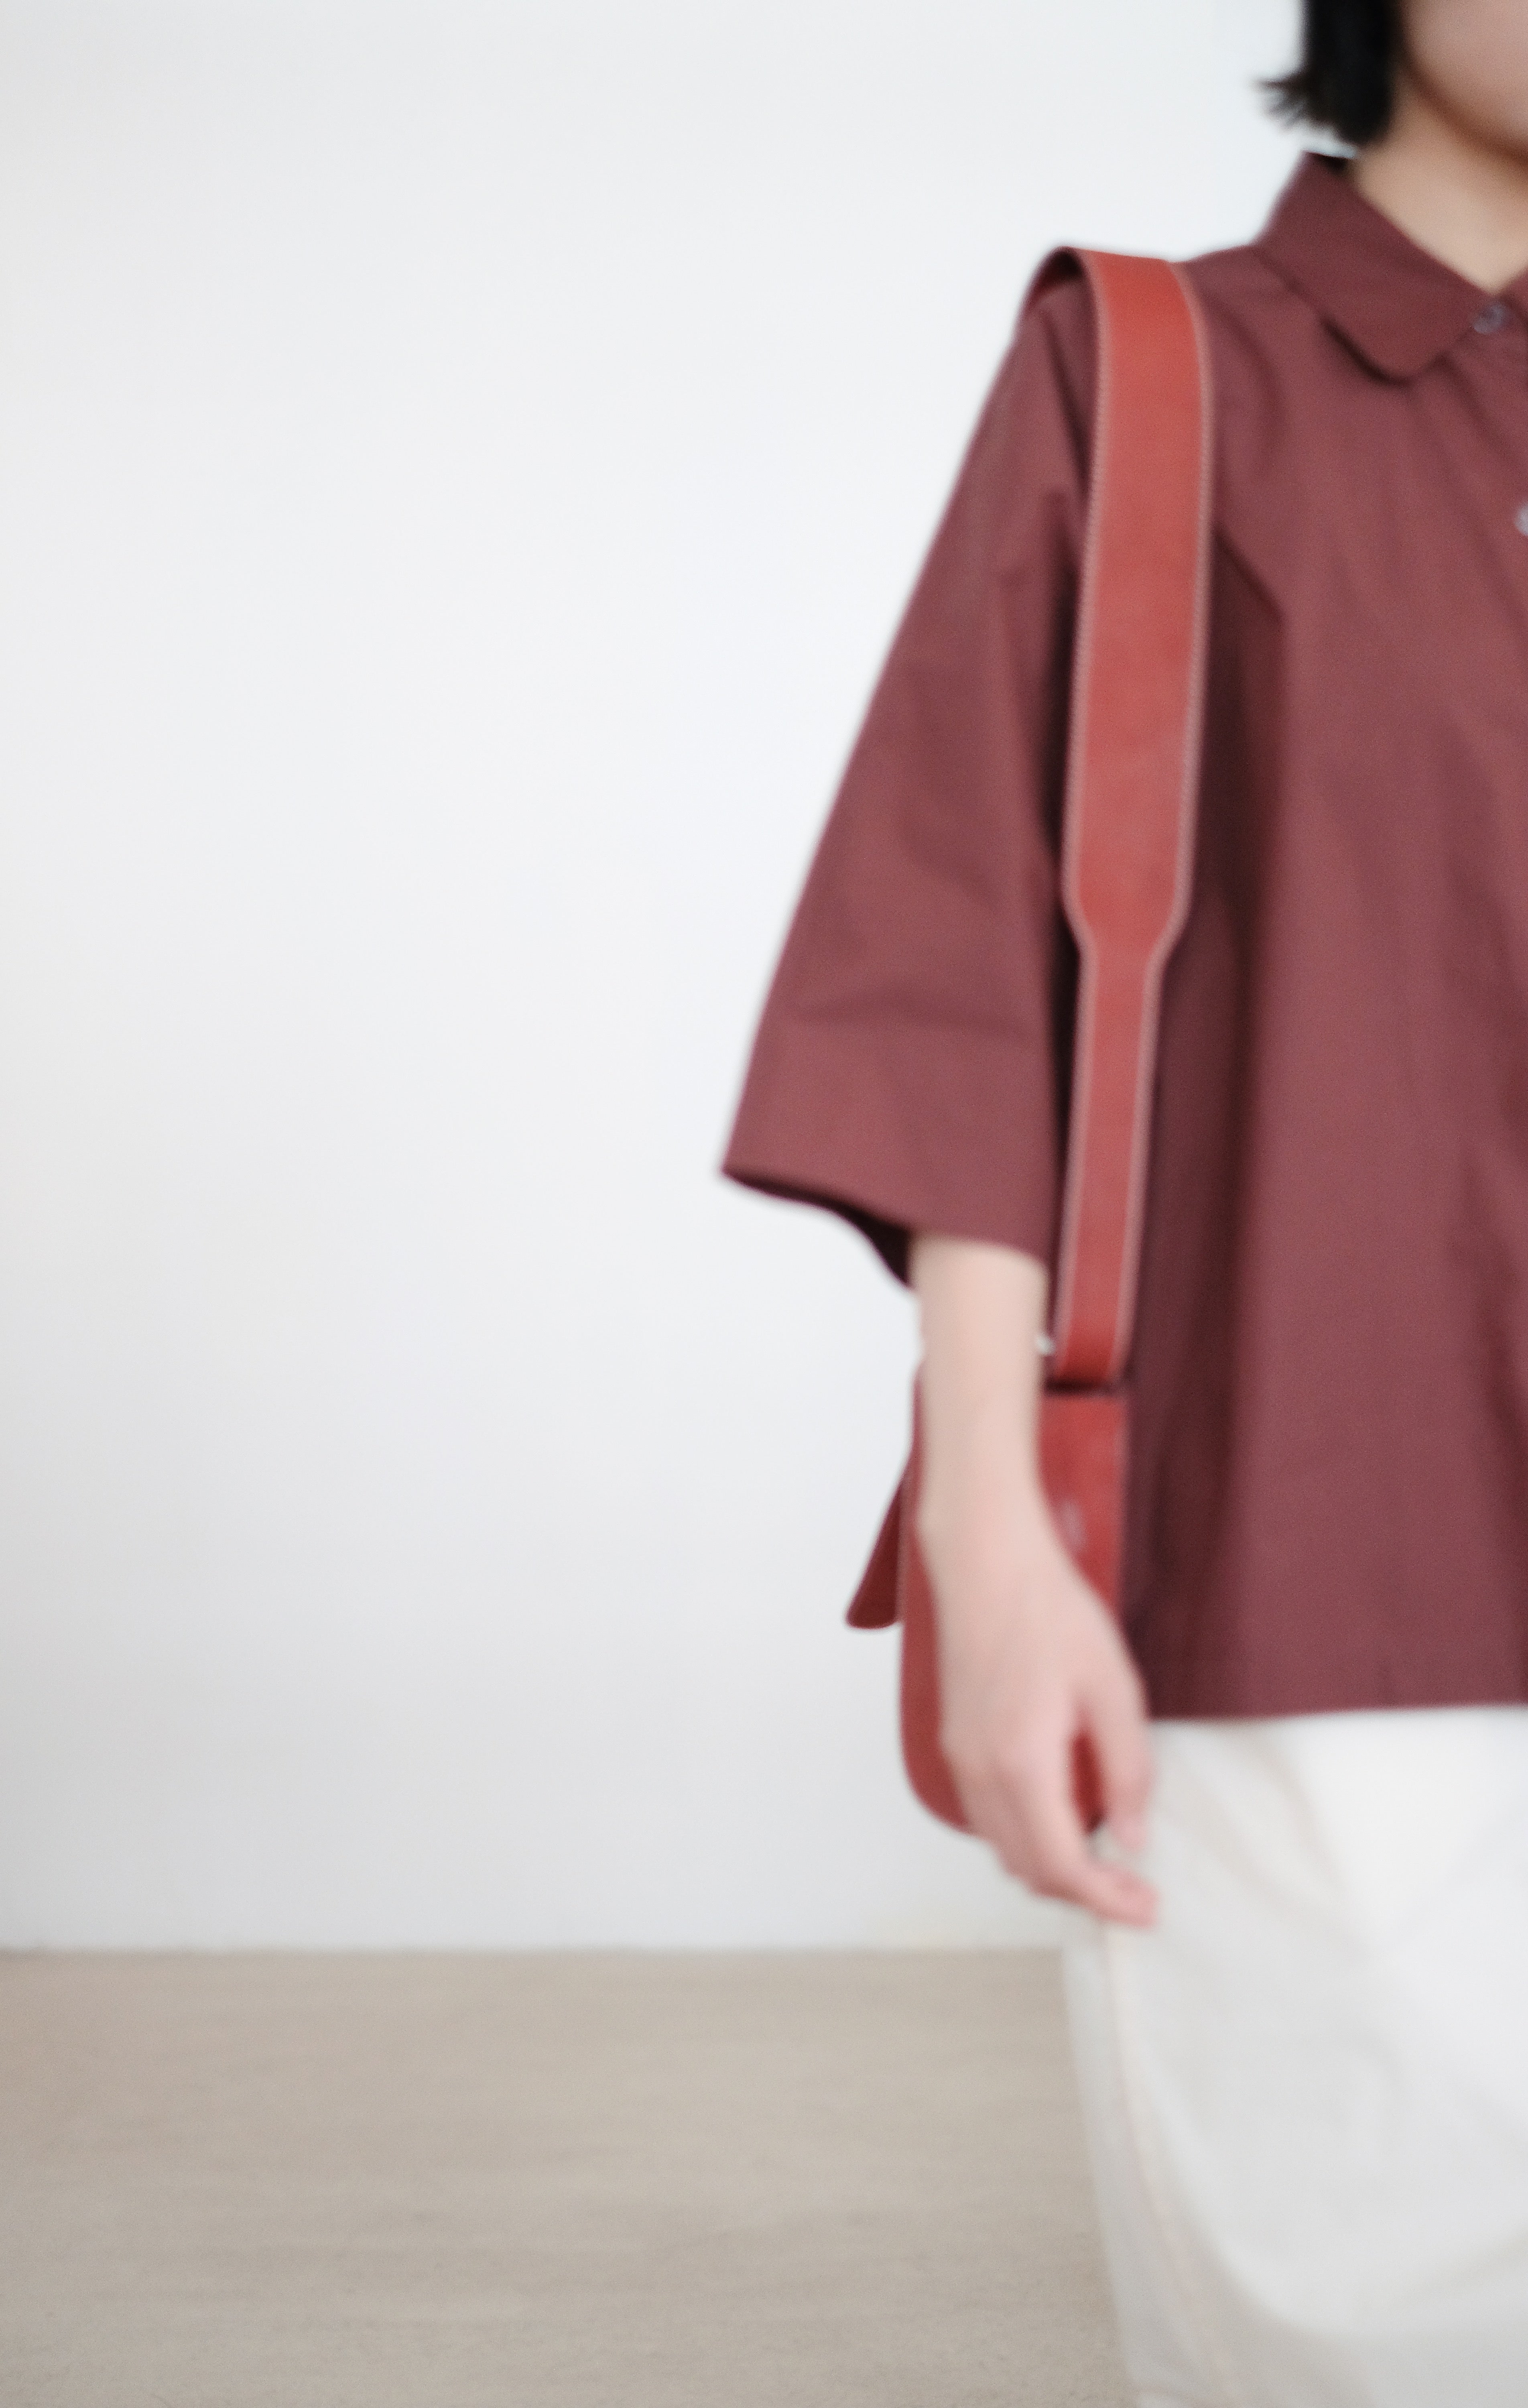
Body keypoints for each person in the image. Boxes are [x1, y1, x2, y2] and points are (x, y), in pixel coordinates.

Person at [723, 3, 1528, 2399]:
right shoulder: (1155, 374)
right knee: (1380, 2343)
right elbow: (965, 977)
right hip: (1311, 1578)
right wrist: (994, 1529)